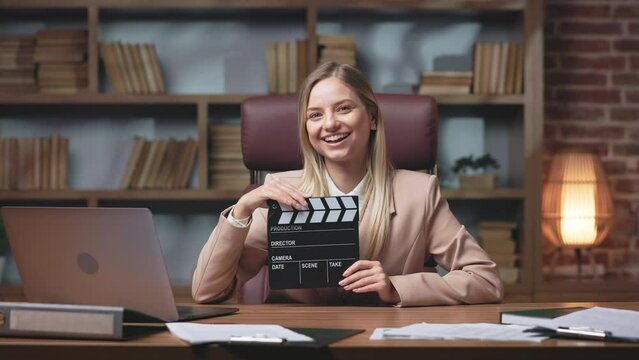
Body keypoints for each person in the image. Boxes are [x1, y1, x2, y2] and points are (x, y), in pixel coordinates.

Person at [192, 62, 503, 306]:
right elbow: (207, 293)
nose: (330, 124)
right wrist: (242, 210)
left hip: (382, 341)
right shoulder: (279, 193)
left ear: (372, 118)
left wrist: (395, 287)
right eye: (315, 115)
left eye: (343, 108)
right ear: (306, 129)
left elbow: (485, 280)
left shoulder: (420, 192)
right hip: (296, 343)